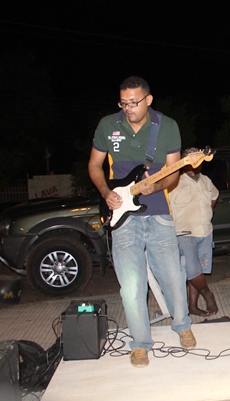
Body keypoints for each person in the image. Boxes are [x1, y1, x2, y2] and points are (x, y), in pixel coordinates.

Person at [88, 76, 195, 368]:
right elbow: (94, 165)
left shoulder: (167, 126)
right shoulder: (108, 125)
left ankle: (182, 325)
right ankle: (139, 343)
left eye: (134, 102)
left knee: (173, 276)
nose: (128, 108)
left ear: (148, 100)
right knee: (131, 286)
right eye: (123, 103)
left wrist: (156, 186)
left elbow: (173, 172)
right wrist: (106, 192)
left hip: (159, 213)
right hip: (123, 219)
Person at [170, 147, 221, 317]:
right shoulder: (174, 182)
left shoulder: (206, 180)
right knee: (192, 270)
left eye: (199, 159)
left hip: (205, 231)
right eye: (193, 159)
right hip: (185, 233)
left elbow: (214, 197)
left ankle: (192, 306)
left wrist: (203, 211)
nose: (197, 162)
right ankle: (208, 295)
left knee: (198, 270)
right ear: (184, 162)